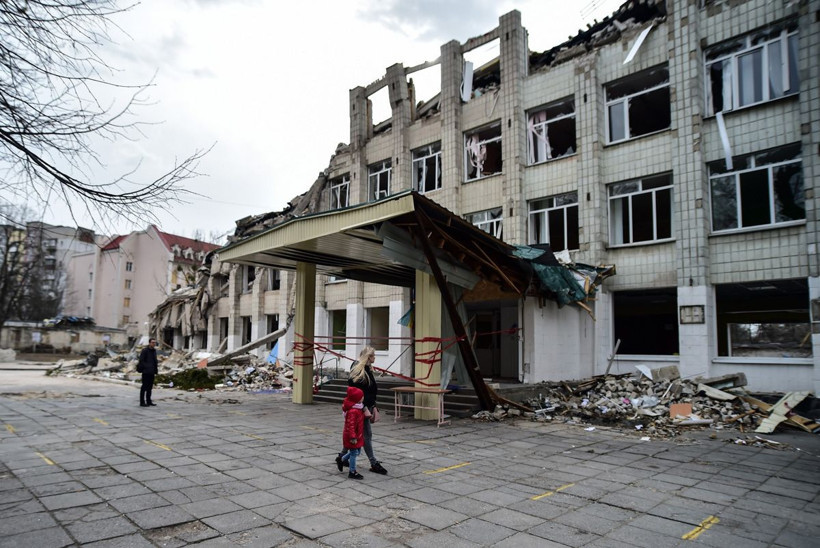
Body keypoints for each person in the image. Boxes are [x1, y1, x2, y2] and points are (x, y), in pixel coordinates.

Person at [338, 346, 388, 475]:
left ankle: (342, 456)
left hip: (366, 406)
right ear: (368, 357)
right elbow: (356, 392)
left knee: (356, 433)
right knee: (366, 435)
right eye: (373, 355)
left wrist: (373, 405)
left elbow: (370, 391)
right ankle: (373, 463)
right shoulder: (359, 370)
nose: (375, 357)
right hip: (360, 408)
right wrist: (365, 407)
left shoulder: (367, 369)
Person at [337, 386, 366, 479]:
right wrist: (352, 437)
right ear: (357, 399)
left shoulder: (359, 408)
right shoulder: (353, 411)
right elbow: (351, 425)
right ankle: (352, 471)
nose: (363, 397)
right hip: (352, 436)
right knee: (354, 453)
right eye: (361, 396)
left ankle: (341, 459)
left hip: (357, 435)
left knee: (358, 451)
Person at [137, 338, 158, 407]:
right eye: (152, 342)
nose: (154, 344)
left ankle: (149, 401)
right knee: (144, 387)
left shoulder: (154, 351)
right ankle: (142, 402)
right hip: (146, 372)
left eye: (154, 342)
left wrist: (155, 370)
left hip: (152, 372)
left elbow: (155, 361)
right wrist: (146, 367)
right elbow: (141, 360)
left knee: (150, 387)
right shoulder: (145, 351)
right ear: (149, 343)